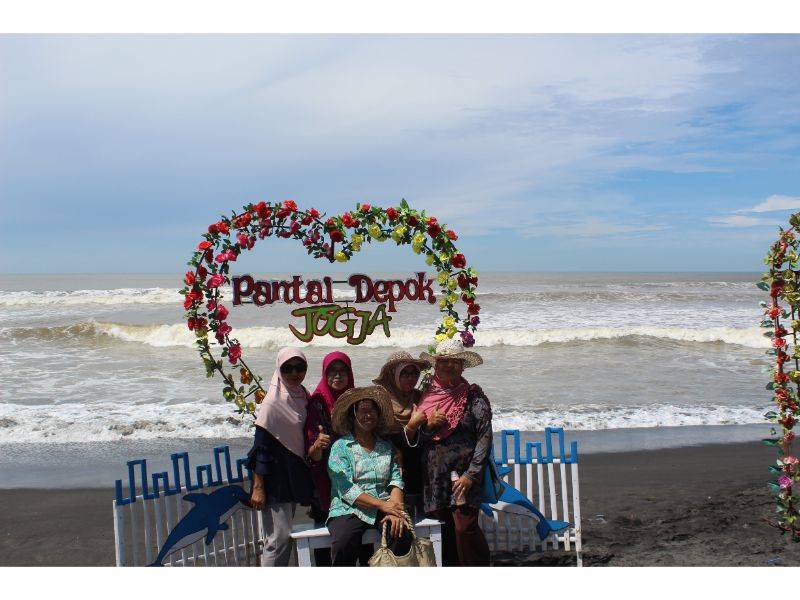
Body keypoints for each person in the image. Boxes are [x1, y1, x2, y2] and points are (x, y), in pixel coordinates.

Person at [417, 338, 492, 566]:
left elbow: (484, 437)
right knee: (444, 532)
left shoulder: (474, 397)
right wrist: (429, 426)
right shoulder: (425, 394)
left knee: (465, 527)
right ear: (436, 365)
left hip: (464, 477)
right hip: (435, 478)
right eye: (443, 361)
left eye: (454, 362)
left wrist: (472, 475)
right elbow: (416, 437)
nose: (449, 366)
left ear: (462, 366)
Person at [326, 385, 413, 566]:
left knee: (400, 533)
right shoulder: (340, 447)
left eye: (373, 411)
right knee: (344, 541)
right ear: (353, 415)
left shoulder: (386, 447)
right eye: (363, 411)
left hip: (384, 504)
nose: (369, 416)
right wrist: (384, 506)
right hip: (349, 508)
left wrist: (396, 510)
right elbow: (346, 489)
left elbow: (395, 479)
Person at [246, 347, 314, 566]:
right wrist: (258, 487)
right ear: (279, 369)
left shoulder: (303, 395)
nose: (294, 373)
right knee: (278, 537)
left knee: (282, 536)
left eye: (300, 367)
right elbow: (260, 448)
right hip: (274, 480)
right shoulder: (271, 404)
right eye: (288, 368)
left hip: (292, 474)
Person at [371, 350, 431, 520]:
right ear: (393, 375)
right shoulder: (380, 401)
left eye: (414, 373)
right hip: (389, 468)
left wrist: (426, 425)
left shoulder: (420, 398)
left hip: (417, 468)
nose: (410, 378)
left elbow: (424, 437)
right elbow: (381, 438)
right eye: (404, 373)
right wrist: (411, 426)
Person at [304, 352, 355, 521]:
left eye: (343, 371)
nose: (338, 375)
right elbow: (312, 454)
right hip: (325, 476)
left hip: (355, 474)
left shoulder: (357, 401)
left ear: (350, 374)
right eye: (332, 371)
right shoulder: (317, 403)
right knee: (325, 534)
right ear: (325, 374)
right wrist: (318, 445)